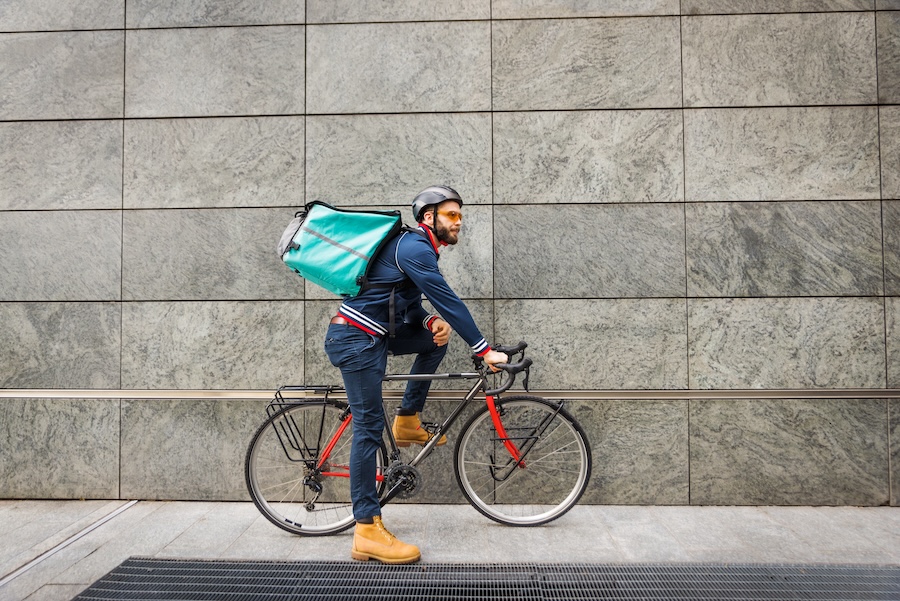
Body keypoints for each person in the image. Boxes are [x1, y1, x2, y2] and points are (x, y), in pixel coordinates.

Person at [323, 185, 508, 564]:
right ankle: (367, 531)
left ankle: (407, 419)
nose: (458, 222)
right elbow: (446, 297)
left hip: (372, 336)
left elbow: (406, 306)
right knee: (369, 428)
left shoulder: (415, 249)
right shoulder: (414, 247)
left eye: (460, 216)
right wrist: (483, 348)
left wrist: (428, 321)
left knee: (435, 341)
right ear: (429, 218)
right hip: (355, 339)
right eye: (451, 215)